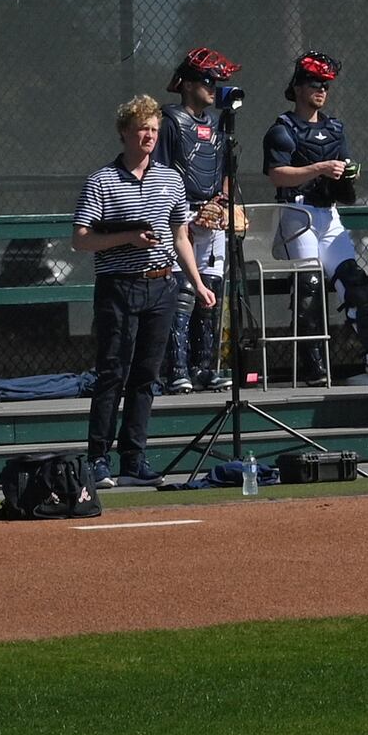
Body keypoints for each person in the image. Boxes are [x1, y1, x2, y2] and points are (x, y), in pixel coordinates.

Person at [74, 94, 209, 484]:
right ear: (124, 134)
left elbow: (181, 235)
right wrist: (128, 239)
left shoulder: (171, 178)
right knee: (112, 373)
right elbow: (81, 239)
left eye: (153, 129)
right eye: (141, 130)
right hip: (119, 288)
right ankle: (99, 458)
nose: (149, 136)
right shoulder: (102, 180)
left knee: (147, 376)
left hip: (162, 286)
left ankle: (135, 458)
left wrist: (197, 282)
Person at [263, 52, 368, 383]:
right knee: (309, 285)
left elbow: (344, 171)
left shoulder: (334, 128)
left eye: (326, 85)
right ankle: (313, 365)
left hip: (328, 213)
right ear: (298, 87)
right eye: (315, 83)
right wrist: (318, 168)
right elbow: (277, 175)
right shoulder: (282, 129)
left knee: (354, 281)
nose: (321, 90)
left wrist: (346, 180)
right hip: (296, 212)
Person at [157, 49, 237, 392]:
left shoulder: (217, 124)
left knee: (211, 293)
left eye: (216, 82)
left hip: (211, 215)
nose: (213, 87)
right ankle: (177, 370)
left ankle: (205, 368)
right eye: (207, 80)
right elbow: (159, 174)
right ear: (187, 84)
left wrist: (219, 204)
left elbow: (225, 173)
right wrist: (180, 217)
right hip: (180, 213)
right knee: (184, 292)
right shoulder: (170, 121)